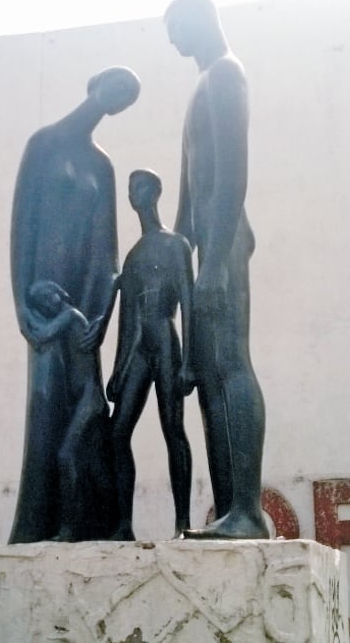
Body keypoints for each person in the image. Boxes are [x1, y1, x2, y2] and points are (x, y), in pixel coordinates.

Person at [9, 66, 141, 543]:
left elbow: (107, 252)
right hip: (43, 301)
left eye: (125, 99)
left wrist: (100, 315)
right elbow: (22, 228)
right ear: (96, 83)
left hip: (83, 311)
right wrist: (21, 301)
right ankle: (35, 524)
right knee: (46, 404)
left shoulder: (102, 166)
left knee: (83, 419)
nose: (117, 99)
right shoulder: (43, 144)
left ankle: (89, 522)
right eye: (117, 87)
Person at [164, 0, 270, 539]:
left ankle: (248, 510)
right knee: (207, 376)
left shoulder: (227, 73)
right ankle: (230, 508)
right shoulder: (202, 84)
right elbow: (188, 193)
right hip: (204, 247)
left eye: (176, 28)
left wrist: (212, 266)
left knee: (230, 366)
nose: (173, 41)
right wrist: (175, 257)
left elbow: (232, 173)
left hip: (223, 244)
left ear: (200, 16)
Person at [107, 169, 195, 540]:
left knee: (172, 428)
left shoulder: (175, 244)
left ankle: (182, 522)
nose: (133, 193)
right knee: (117, 433)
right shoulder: (133, 256)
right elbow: (126, 318)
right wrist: (118, 370)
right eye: (130, 188)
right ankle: (123, 525)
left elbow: (188, 302)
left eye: (139, 186)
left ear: (156, 192)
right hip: (138, 348)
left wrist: (190, 362)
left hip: (165, 339)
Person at [27, 279, 112, 541]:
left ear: (59, 292)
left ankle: (70, 528)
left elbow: (42, 335)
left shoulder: (72, 315)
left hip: (90, 400)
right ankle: (107, 523)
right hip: (82, 401)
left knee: (66, 456)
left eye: (47, 295)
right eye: (40, 302)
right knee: (96, 466)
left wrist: (26, 313)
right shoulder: (66, 318)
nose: (46, 303)